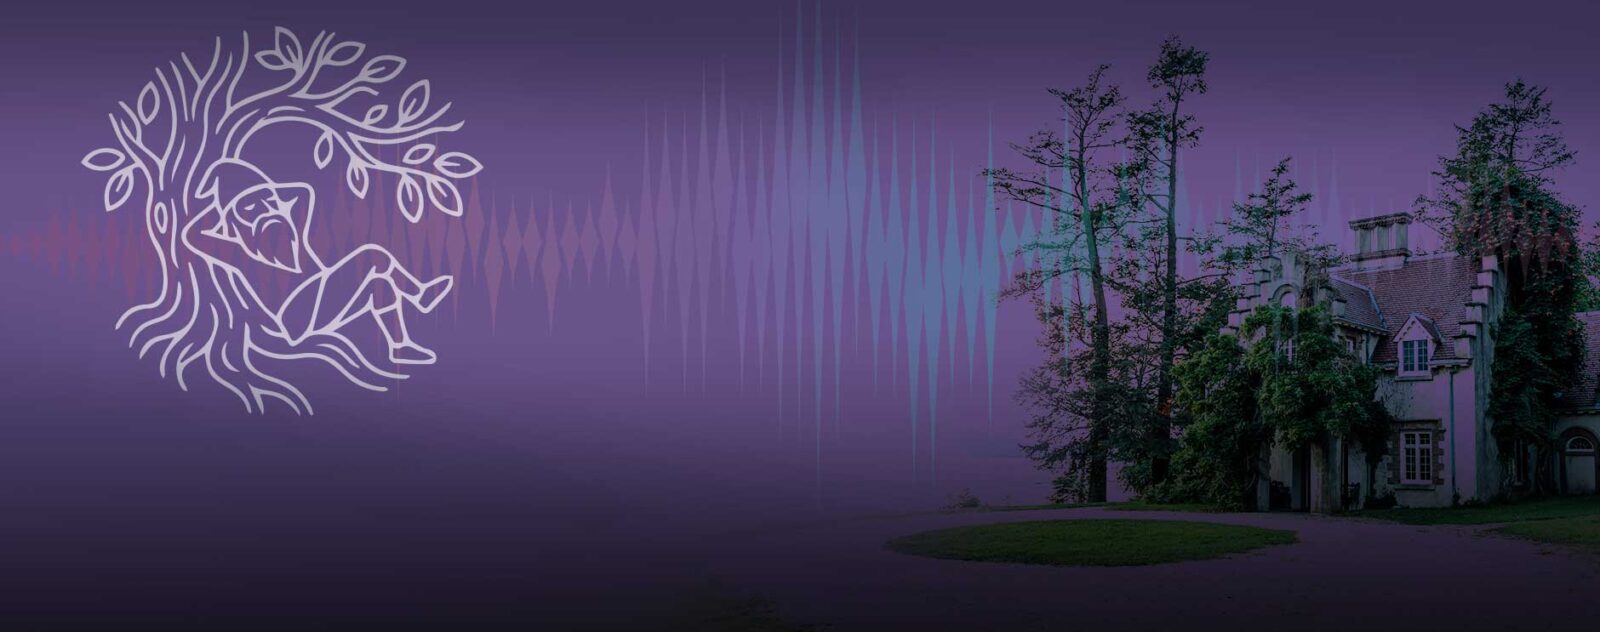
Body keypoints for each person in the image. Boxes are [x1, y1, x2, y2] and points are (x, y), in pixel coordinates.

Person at [186, 159, 451, 364]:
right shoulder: (238, 253)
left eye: (268, 201)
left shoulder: (293, 233)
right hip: (294, 317)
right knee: (372, 256)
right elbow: (192, 235)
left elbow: (303, 192)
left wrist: (266, 193)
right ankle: (418, 294)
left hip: (320, 304)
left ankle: (399, 346)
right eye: (251, 208)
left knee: (379, 286)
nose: (266, 211)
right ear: (233, 219)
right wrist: (221, 198)